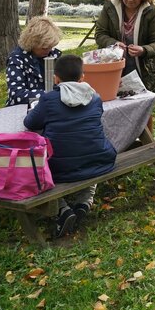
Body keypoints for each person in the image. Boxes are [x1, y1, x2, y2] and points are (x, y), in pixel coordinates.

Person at [24, 54, 116, 238]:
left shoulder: (49, 100)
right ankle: (84, 202)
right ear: (82, 77)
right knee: (91, 152)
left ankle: (63, 209)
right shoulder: (95, 97)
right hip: (101, 161)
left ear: (55, 78)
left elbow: (30, 123)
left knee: (37, 168)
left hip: (60, 168)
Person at [95, 0, 155, 92]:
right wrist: (113, 43)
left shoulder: (152, 11)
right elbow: (100, 34)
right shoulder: (109, 8)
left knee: (142, 108)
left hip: (144, 70)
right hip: (113, 67)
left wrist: (144, 50)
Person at [5, 16, 63, 106]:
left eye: (51, 47)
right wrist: (51, 95)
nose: (49, 51)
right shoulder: (17, 59)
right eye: (44, 48)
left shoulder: (54, 55)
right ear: (32, 43)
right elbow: (16, 94)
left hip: (51, 106)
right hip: (24, 110)